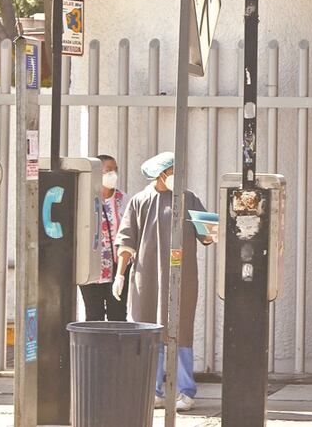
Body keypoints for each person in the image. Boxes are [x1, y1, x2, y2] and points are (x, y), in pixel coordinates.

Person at [114, 151, 213, 413]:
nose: (177, 176)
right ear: (161, 174)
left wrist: (218, 224)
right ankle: (153, 390)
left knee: (181, 332)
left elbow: (208, 235)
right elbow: (126, 241)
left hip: (182, 278)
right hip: (146, 278)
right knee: (149, 332)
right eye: (173, 172)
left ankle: (185, 391)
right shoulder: (139, 201)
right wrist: (120, 274)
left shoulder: (189, 198)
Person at [78, 154, 129, 321]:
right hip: (91, 267)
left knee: (118, 314)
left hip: (118, 268)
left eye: (115, 170)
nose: (113, 174)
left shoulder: (124, 200)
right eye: (108, 170)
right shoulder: (84, 199)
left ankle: (116, 340)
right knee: (94, 314)